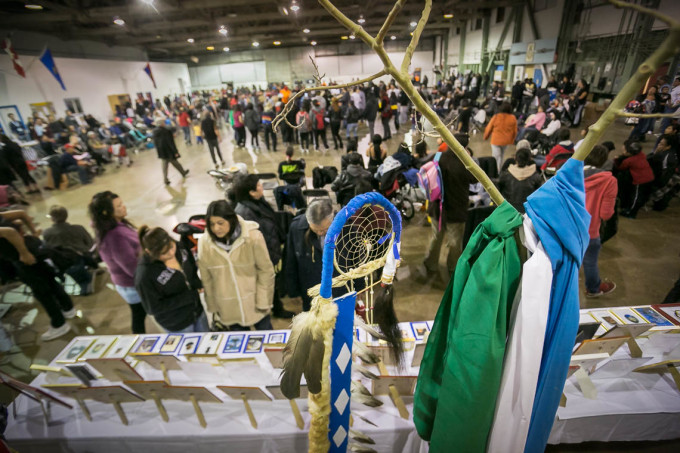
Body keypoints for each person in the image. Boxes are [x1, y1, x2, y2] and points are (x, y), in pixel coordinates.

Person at [197, 200, 275, 331]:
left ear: (231, 220)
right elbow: (207, 279)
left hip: (255, 303)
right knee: (238, 345)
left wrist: (263, 300)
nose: (216, 228)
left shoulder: (252, 237)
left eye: (220, 223)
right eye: (212, 224)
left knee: (267, 341)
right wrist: (213, 306)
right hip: (228, 307)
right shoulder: (205, 243)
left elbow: (265, 271)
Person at [0, 211, 75, 341]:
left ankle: (59, 324)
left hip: (23, 258)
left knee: (41, 291)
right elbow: (22, 214)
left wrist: (24, 253)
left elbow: (9, 232)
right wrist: (33, 233)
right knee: (50, 281)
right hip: (32, 247)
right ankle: (68, 308)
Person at [232, 175, 294, 319]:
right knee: (267, 283)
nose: (262, 187)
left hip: (271, 249)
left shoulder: (258, 202)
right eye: (259, 186)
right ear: (251, 192)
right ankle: (276, 308)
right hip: (262, 254)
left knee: (274, 280)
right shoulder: (244, 213)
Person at [89, 191, 147, 333]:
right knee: (139, 314)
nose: (124, 207)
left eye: (122, 203)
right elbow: (132, 268)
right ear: (106, 212)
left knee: (139, 313)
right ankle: (141, 342)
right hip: (133, 285)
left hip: (128, 283)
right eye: (119, 206)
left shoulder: (112, 227)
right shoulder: (115, 236)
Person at [135, 226, 208, 333]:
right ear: (149, 252)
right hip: (177, 324)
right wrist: (189, 296)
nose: (171, 253)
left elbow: (191, 267)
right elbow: (153, 308)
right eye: (164, 253)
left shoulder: (179, 247)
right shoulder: (145, 275)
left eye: (171, 247)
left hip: (198, 312)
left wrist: (198, 284)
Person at [422, 141, 476, 279]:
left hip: (437, 208)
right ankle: (452, 267)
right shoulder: (464, 163)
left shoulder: (438, 156)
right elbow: (474, 179)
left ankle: (431, 264)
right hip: (456, 210)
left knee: (436, 238)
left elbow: (424, 170)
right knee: (455, 242)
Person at [285, 199, 334, 312]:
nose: (320, 233)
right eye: (316, 230)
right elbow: (291, 262)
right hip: (311, 290)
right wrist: (293, 291)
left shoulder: (346, 226)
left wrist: (360, 286)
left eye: (324, 230)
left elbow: (355, 258)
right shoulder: (296, 228)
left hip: (340, 289)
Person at [583, 145, 617, 297]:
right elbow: (605, 214)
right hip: (590, 230)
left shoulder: (569, 174)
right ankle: (593, 289)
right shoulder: (609, 181)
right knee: (590, 261)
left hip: (567, 228)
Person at [43, 205, 96, 295]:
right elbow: (90, 244)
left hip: (60, 262)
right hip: (81, 258)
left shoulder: (47, 233)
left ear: (52, 218)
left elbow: (47, 248)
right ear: (66, 216)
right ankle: (93, 265)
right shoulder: (78, 228)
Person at [613, 140, 654, 218]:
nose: (623, 151)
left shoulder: (629, 161)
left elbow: (621, 167)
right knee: (640, 196)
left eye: (625, 150)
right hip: (649, 177)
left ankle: (631, 213)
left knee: (636, 197)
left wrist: (616, 159)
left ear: (630, 153)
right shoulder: (641, 155)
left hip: (640, 180)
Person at [497, 148, 543, 213]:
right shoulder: (536, 177)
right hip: (528, 212)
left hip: (508, 210)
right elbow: (538, 198)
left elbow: (498, 194)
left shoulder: (505, 175)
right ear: (530, 159)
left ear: (515, 158)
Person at [152, 118, 189, 185]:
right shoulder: (166, 131)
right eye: (164, 122)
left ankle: (165, 179)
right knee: (176, 163)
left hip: (162, 152)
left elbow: (155, 143)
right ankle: (183, 173)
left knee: (164, 167)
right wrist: (175, 151)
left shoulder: (154, 132)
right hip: (169, 151)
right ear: (162, 123)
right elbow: (170, 142)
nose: (165, 123)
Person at [483, 101, 517, 171]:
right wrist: (512, 140)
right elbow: (515, 131)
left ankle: (494, 171)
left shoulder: (496, 117)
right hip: (506, 141)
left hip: (496, 140)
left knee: (495, 157)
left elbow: (489, 128)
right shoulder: (513, 118)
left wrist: (485, 136)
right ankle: (499, 170)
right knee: (501, 156)